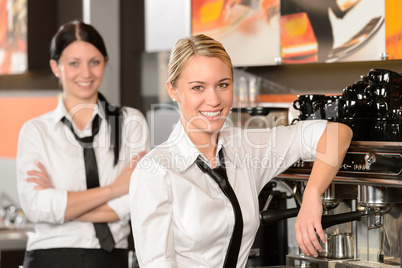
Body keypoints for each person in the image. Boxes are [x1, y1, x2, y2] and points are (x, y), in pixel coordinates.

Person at [129, 34, 353, 267]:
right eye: (198, 87)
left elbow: (337, 134)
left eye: (223, 85)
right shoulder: (156, 172)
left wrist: (312, 194)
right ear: (173, 91)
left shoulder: (245, 148)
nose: (214, 100)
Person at [16, 20, 149, 268]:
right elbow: (36, 208)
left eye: (94, 62)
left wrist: (62, 207)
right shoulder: (36, 131)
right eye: (74, 63)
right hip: (49, 258)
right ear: (56, 67)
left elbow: (136, 201)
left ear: (105, 63)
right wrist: (113, 189)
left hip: (110, 259)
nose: (86, 73)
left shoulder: (131, 122)